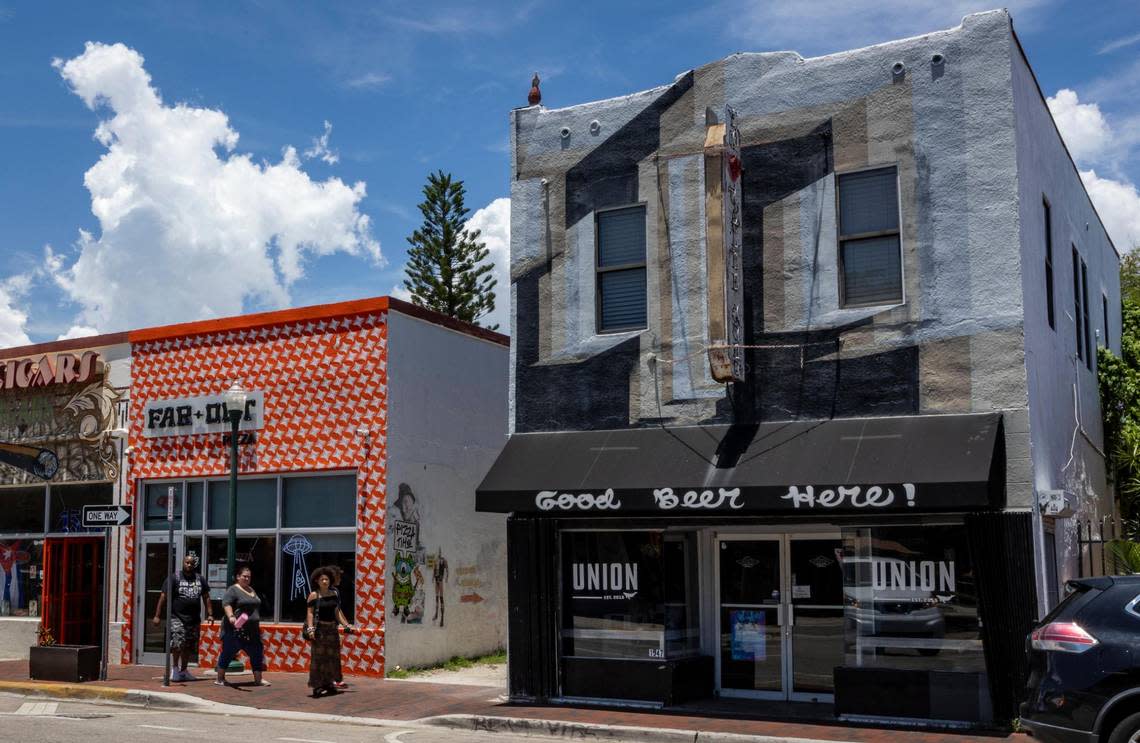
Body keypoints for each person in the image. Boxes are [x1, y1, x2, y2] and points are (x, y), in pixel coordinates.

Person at [152, 554, 213, 681]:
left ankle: (184, 670)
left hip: (194, 619)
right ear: (183, 563)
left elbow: (206, 597)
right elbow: (163, 597)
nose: (189, 565)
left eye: (191, 563)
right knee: (177, 643)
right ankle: (174, 669)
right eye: (187, 562)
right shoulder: (174, 578)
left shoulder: (199, 579)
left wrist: (210, 614)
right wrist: (157, 615)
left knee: (188, 645)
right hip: (177, 617)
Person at [215, 565, 270, 687]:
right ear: (238, 577)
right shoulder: (233, 590)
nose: (246, 578)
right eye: (244, 576)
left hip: (252, 631)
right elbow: (227, 604)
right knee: (228, 652)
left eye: (248, 577)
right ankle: (220, 678)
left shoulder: (251, 590)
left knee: (257, 652)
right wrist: (231, 616)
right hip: (235, 630)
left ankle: (258, 679)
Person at [305, 566, 355, 697]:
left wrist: (346, 625)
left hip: (332, 629)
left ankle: (329, 683)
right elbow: (309, 613)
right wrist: (310, 629)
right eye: (322, 579)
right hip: (319, 630)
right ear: (317, 581)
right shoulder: (313, 595)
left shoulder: (334, 594)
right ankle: (317, 685)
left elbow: (337, 612)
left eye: (327, 579)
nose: (325, 582)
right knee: (319, 658)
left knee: (332, 658)